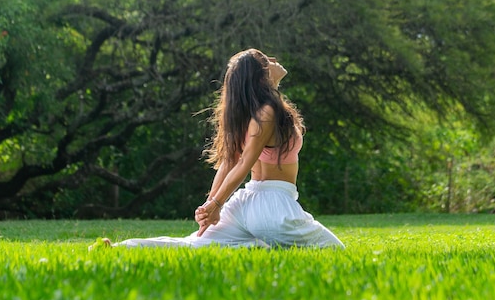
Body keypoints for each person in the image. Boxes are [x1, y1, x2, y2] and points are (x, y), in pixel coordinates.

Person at [91, 49, 344, 250]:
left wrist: (213, 204)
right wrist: (213, 205)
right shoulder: (267, 111)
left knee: (194, 245)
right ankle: (262, 244)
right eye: (268, 61)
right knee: (335, 250)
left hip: (244, 204)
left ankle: (122, 249)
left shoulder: (246, 115)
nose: (274, 61)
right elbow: (242, 164)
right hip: (273, 206)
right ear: (261, 75)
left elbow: (229, 163)